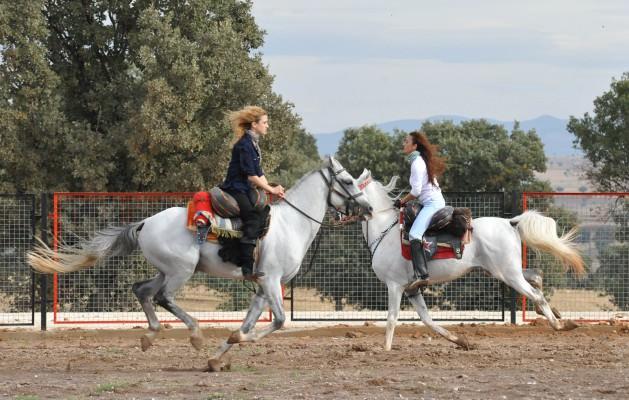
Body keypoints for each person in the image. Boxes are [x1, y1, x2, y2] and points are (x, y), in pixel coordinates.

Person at [220, 106, 285, 279]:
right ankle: (247, 267)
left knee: (262, 210)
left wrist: (275, 191)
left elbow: (259, 173)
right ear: (254, 125)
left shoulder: (253, 143)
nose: (267, 126)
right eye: (265, 123)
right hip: (236, 188)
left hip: (246, 188)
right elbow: (251, 175)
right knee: (253, 217)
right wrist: (270, 189)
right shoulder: (245, 145)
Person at [395, 131, 446, 290]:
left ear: (414, 146)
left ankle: (423, 275)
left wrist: (402, 201)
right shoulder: (417, 161)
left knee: (414, 235)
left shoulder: (417, 162)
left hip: (432, 204)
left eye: (406, 141)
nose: (404, 143)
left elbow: (416, 192)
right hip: (429, 202)